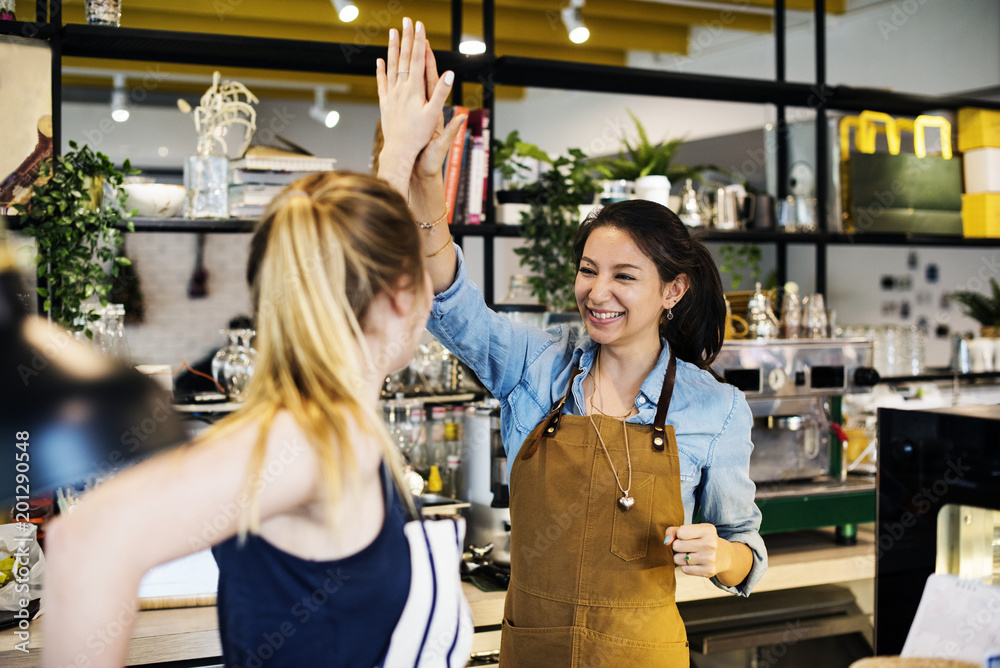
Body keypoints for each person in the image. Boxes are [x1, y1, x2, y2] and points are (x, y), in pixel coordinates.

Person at [378, 19, 767, 667]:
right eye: (589, 270)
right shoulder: (535, 365)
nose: (598, 291)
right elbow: (450, 301)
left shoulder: (714, 410)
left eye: (624, 276)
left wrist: (721, 556)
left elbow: (745, 553)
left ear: (673, 291)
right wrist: (422, 193)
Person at [43, 170, 472, 665]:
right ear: (403, 292)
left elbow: (359, 240)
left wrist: (403, 155)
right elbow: (87, 540)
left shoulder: (333, 424)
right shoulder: (316, 437)